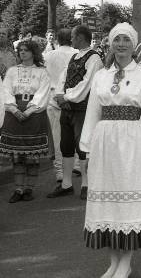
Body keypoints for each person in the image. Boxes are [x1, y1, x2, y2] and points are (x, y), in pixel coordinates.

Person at [79, 23, 141, 278]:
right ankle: (113, 262)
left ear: (133, 45)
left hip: (132, 141)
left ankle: (126, 262)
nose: (121, 45)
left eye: (125, 40)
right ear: (110, 43)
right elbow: (92, 114)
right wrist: (86, 150)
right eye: (116, 40)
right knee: (107, 202)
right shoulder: (101, 76)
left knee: (128, 202)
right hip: (105, 142)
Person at [47, 26, 103, 200]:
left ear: (80, 37)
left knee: (83, 147)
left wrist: (67, 97)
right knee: (66, 146)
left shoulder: (94, 58)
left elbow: (88, 84)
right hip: (68, 108)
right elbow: (63, 77)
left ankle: (87, 184)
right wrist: (59, 94)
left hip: (83, 109)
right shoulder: (74, 56)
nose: (71, 40)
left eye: (73, 37)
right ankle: (66, 184)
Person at [1, 40, 50, 203]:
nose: (22, 53)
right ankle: (18, 189)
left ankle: (29, 188)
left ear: (33, 52)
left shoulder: (42, 72)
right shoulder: (12, 71)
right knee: (17, 156)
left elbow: (43, 93)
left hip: (33, 113)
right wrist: (14, 109)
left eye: (26, 50)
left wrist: (29, 110)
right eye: (20, 50)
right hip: (14, 111)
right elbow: (6, 90)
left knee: (32, 156)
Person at [43, 28, 78, 187]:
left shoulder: (48, 55)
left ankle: (59, 171)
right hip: (73, 96)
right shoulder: (78, 54)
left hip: (53, 96)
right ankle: (77, 164)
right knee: (76, 132)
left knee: (57, 135)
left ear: (57, 39)